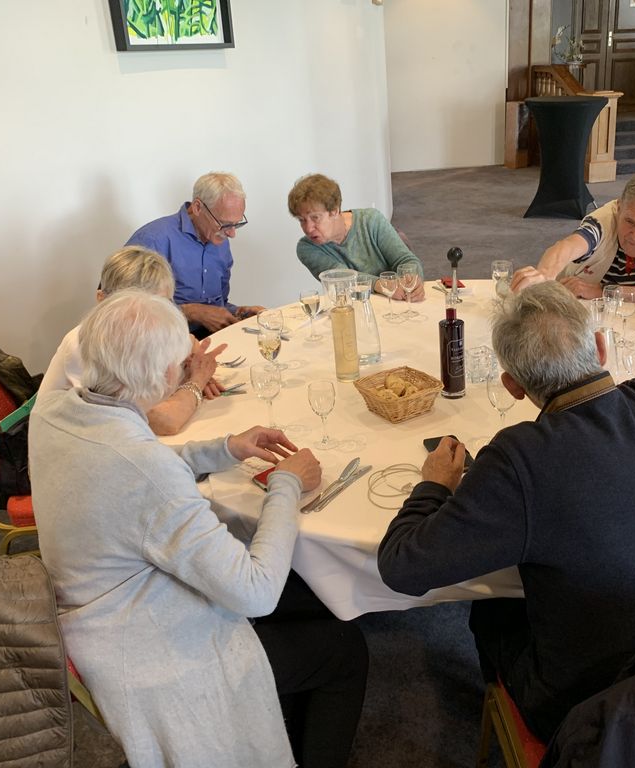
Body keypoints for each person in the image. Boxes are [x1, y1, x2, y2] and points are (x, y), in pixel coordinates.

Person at [376, 281, 635, 742]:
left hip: (606, 714)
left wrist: (433, 485)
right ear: (600, 348)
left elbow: (401, 567)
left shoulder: (520, 457)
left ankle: (512, 731)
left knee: (491, 609)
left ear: (512, 386)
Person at [29, 290, 367, 768]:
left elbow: (123, 466)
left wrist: (224, 448)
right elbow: (255, 592)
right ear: (164, 374)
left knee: (313, 594)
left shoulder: (54, 412)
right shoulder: (144, 469)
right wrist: (287, 485)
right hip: (150, 653)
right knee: (344, 648)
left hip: (93, 620)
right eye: (181, 363)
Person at [36, 245, 225, 436]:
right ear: (102, 300)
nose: (152, 316)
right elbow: (162, 421)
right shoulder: (84, 343)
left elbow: (190, 345)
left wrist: (189, 370)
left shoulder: (155, 328)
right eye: (135, 310)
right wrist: (196, 382)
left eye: (163, 305)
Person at [511, 171, 635, 310]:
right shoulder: (603, 221)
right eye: (629, 221)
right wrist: (544, 274)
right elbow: (567, 247)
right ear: (619, 207)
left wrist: (605, 292)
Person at [127, 172, 264, 337]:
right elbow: (123, 308)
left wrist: (236, 313)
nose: (232, 234)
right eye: (225, 224)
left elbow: (217, 305)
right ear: (198, 207)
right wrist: (190, 312)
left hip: (212, 337)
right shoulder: (152, 240)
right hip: (164, 340)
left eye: (237, 224)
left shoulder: (220, 238)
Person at [288, 173, 425, 301]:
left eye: (315, 218)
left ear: (334, 211)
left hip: (397, 302)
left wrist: (411, 280)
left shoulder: (370, 220)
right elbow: (342, 278)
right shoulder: (306, 248)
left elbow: (405, 260)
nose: (308, 228)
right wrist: (381, 284)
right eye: (301, 220)